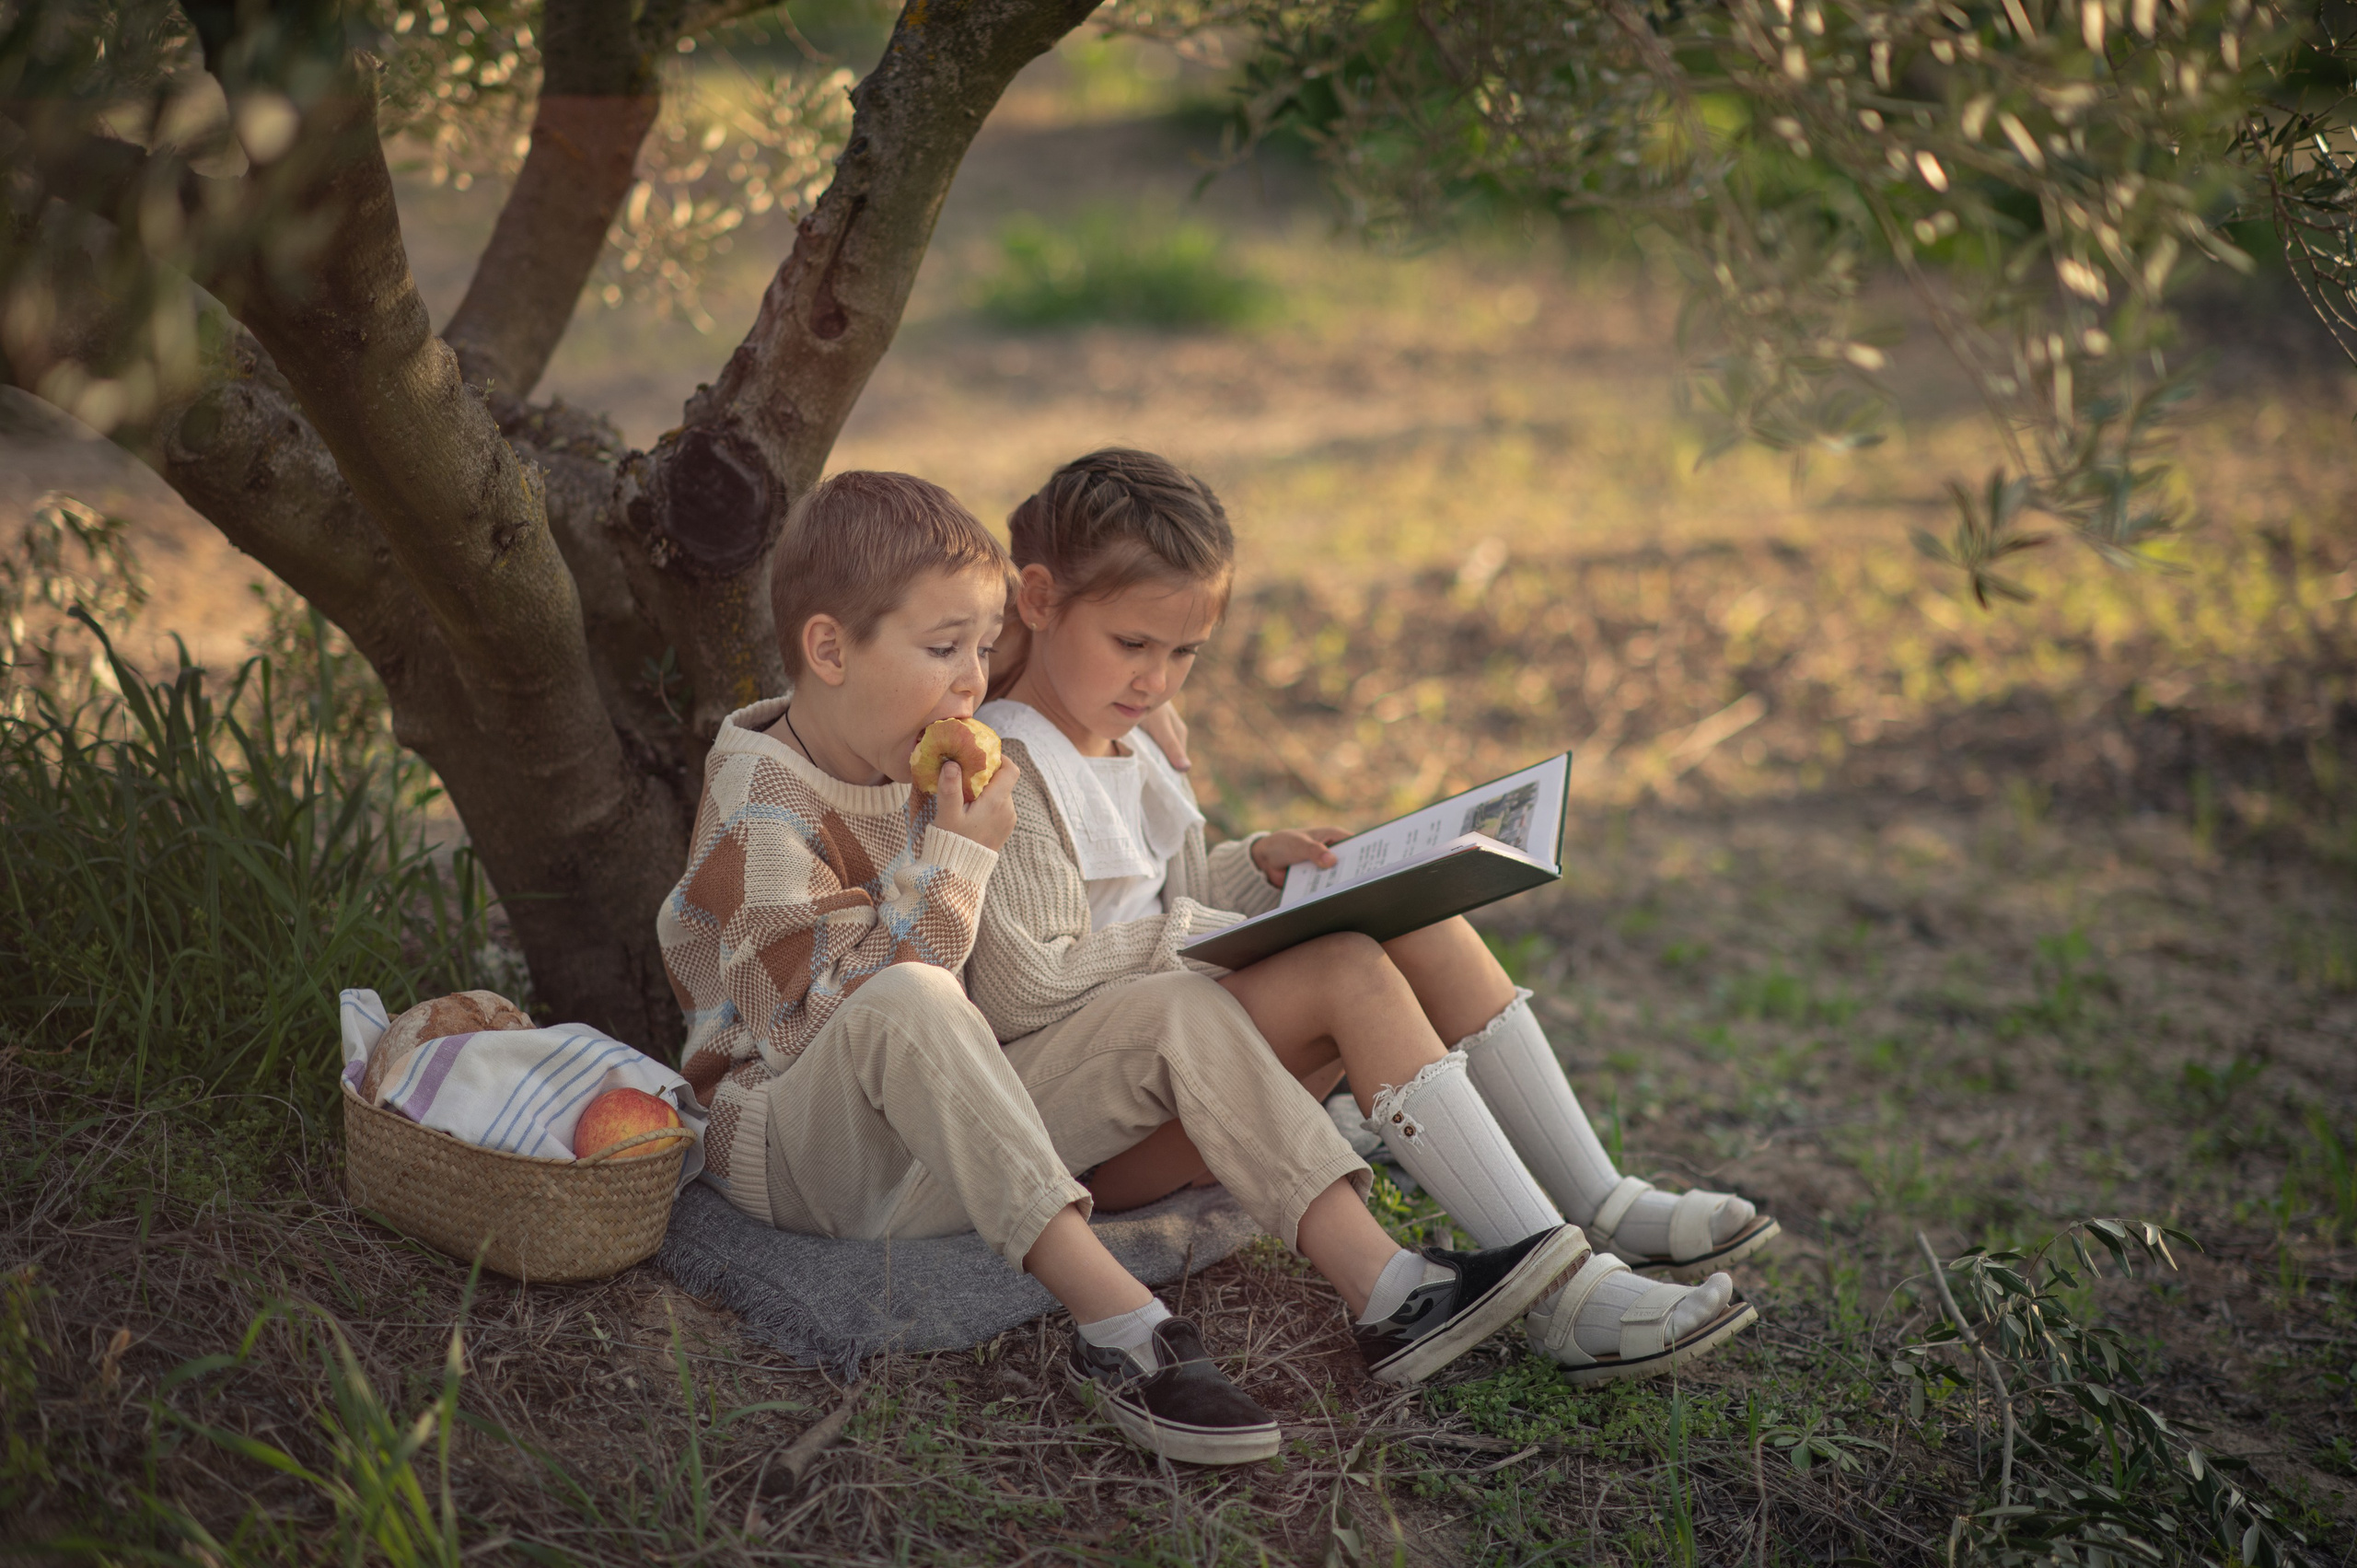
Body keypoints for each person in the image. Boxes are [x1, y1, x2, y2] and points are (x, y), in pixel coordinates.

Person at [655, 470, 1589, 1468]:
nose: (971, 684)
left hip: (942, 1138)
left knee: (1174, 1005)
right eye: (943, 652)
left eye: (979, 650)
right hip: (800, 1152)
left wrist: (1140, 723)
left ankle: (1388, 1287)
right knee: (909, 994)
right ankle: (1127, 1327)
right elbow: (824, 1028)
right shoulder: (765, 810)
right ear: (830, 648)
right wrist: (963, 858)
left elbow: (1036, 655)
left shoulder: (901, 750)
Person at [970, 448, 1775, 1382]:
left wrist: (1253, 869)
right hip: (1092, 1135)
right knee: (1344, 966)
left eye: (1183, 652)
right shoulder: (1007, 768)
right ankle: (1563, 1293)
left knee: (1410, 919)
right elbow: (1022, 988)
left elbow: (1162, 888)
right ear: (1036, 599)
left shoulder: (1125, 740)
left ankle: (1593, 1196)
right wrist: (1200, 934)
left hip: (1174, 1067)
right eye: (1132, 644)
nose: (1156, 679)